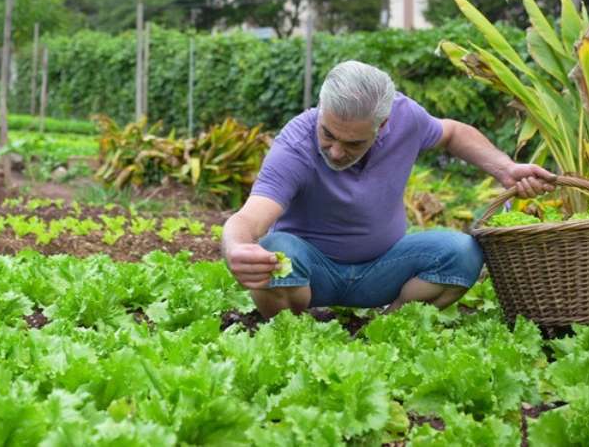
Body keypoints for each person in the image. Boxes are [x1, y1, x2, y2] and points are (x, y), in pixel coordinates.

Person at [221, 60, 555, 318]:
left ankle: (387, 325)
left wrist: (506, 169)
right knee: (275, 250)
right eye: (328, 134)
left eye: (353, 142)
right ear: (322, 110)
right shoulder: (294, 144)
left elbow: (451, 133)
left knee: (462, 252)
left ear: (383, 125)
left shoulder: (406, 118)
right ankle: (295, 331)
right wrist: (236, 247)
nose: (336, 152)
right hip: (309, 276)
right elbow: (250, 218)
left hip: (381, 271)